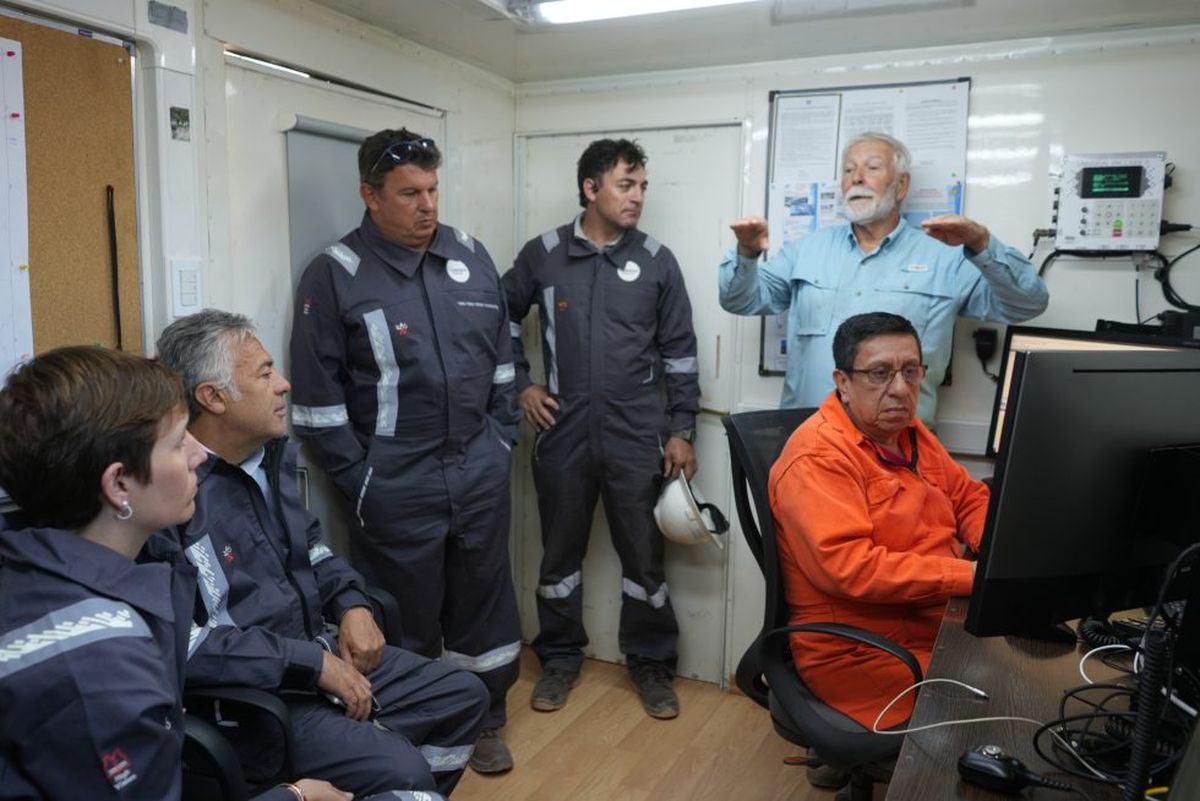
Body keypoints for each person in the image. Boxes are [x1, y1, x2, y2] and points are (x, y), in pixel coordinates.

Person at [154, 310, 489, 798]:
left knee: (463, 697)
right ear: (213, 397)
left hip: (316, 650)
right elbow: (189, 645)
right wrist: (312, 664)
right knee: (404, 773)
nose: (284, 384)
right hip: (260, 699)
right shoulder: (174, 496)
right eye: (266, 373)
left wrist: (352, 603)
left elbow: (313, 549)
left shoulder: (269, 459)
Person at [0, 346, 350, 801]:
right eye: (178, 439)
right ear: (119, 484)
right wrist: (295, 798)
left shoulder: (34, 568)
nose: (198, 456)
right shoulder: (103, 669)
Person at [288, 128, 522, 774]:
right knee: (405, 612)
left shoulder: (470, 257)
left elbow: (505, 363)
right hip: (396, 481)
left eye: (433, 190)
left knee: (483, 599)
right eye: (409, 193)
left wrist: (501, 443)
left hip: (477, 467)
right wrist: (364, 481)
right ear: (370, 196)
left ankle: (485, 716)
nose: (427, 206)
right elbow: (316, 403)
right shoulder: (334, 276)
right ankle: (413, 728)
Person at [501, 138, 701, 719]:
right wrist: (521, 384)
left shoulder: (658, 261)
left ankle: (650, 662)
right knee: (559, 553)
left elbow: (681, 352)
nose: (638, 197)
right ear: (591, 189)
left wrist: (682, 427)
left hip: (637, 432)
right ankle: (560, 657)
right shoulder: (544, 254)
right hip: (562, 429)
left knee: (644, 556)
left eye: (642, 186)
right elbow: (498, 320)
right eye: (625, 185)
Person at [768, 312, 989, 793]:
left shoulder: (908, 433)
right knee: (991, 703)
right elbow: (852, 569)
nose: (899, 388)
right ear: (843, 383)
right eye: (879, 373)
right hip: (861, 649)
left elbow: (968, 495)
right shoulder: (818, 458)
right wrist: (973, 577)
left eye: (911, 371)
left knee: (1010, 671)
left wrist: (1000, 549)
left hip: (927, 621)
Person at [719, 131, 1049, 425]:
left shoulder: (946, 256)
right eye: (849, 170)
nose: (857, 178)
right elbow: (739, 300)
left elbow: (1027, 304)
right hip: (809, 445)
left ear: (901, 185)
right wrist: (747, 252)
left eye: (872, 167)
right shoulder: (806, 250)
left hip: (897, 450)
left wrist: (981, 242)